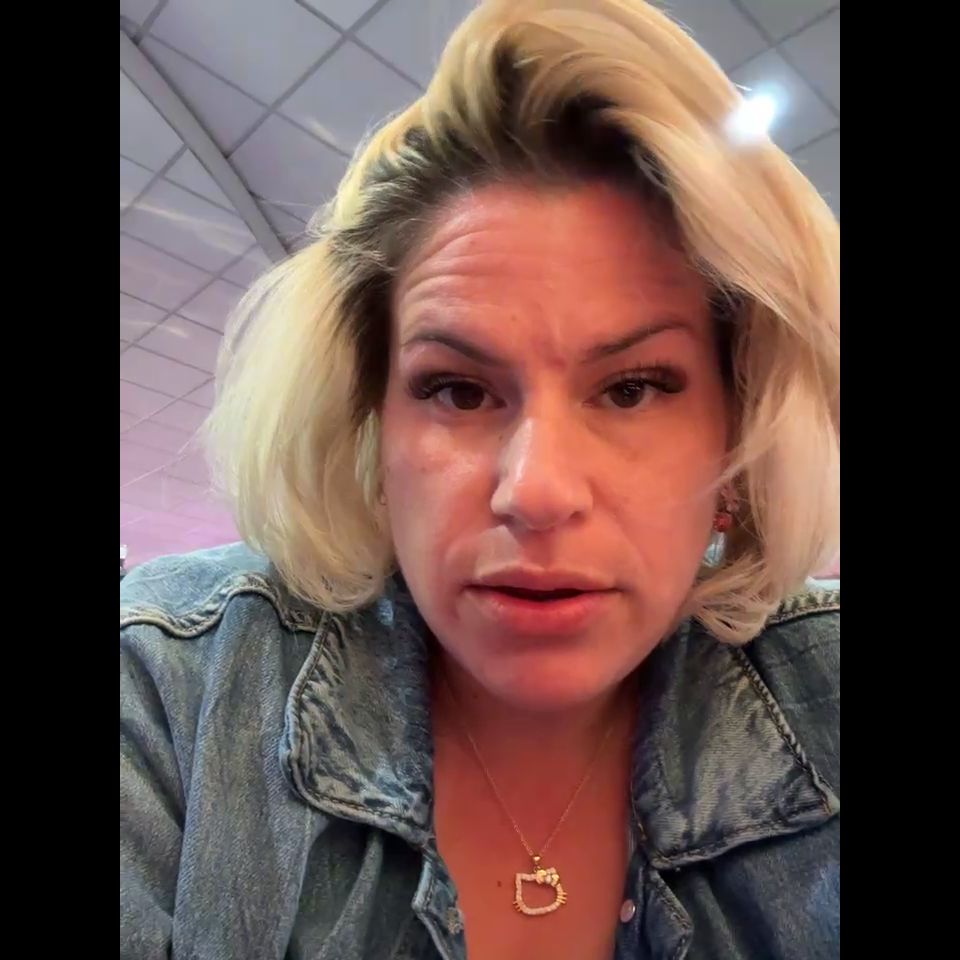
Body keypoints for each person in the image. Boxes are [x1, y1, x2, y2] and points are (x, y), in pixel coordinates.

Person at [119, 1, 840, 957]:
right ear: (372, 426)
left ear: (737, 439)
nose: (535, 492)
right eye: (458, 390)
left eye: (631, 389)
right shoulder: (171, 695)